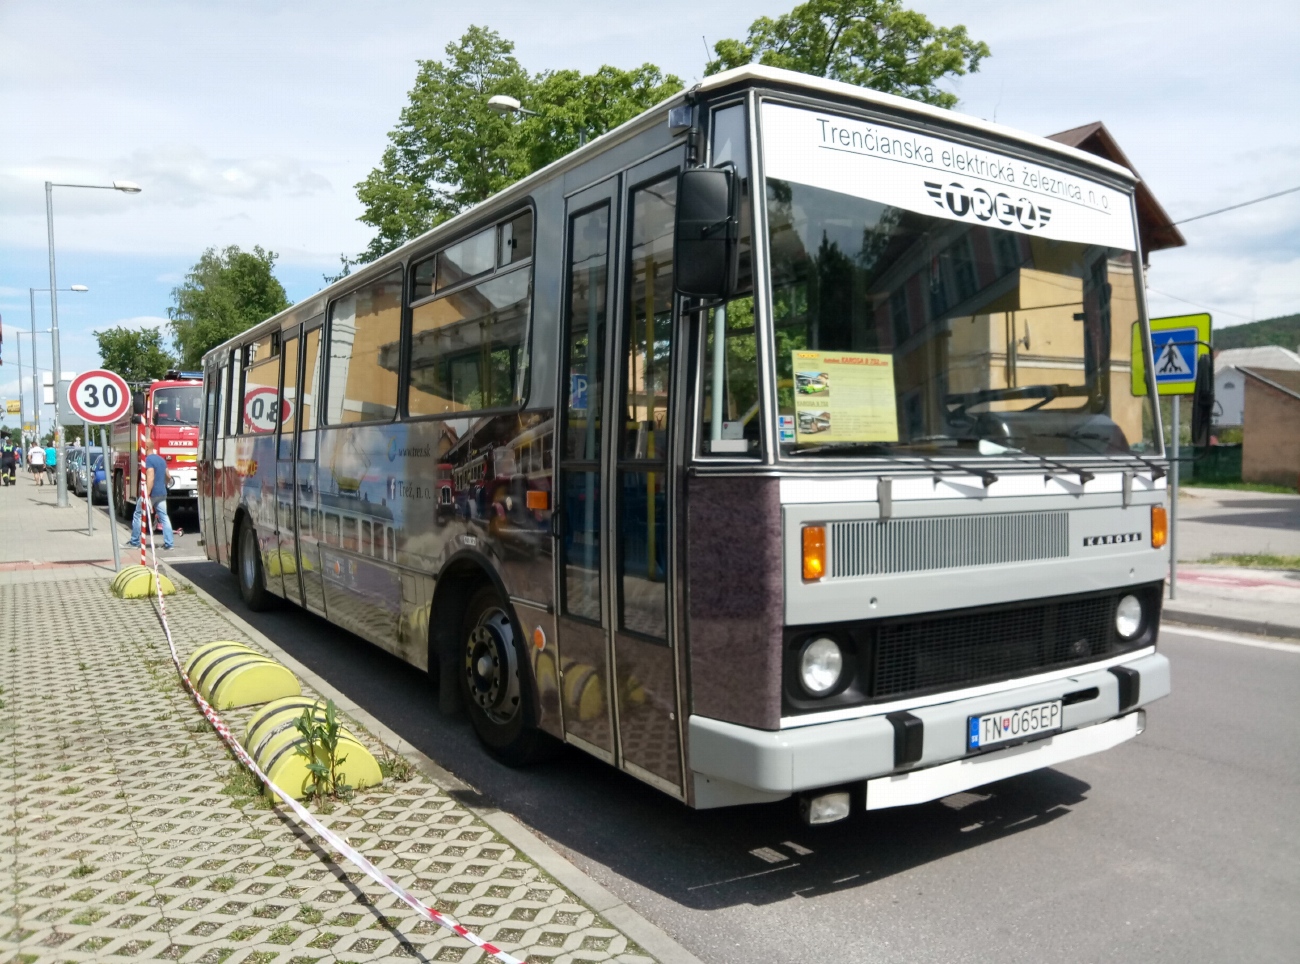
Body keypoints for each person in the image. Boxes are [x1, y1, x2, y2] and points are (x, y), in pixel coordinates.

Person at [125, 442, 174, 550]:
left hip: (152, 494)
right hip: (162, 493)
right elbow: (168, 476)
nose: (140, 450)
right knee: (164, 517)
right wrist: (164, 485)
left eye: (141, 447)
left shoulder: (148, 461)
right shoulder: (161, 460)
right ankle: (169, 544)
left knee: (138, 514)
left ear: (146, 447)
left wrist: (146, 494)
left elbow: (150, 478)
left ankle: (134, 541)